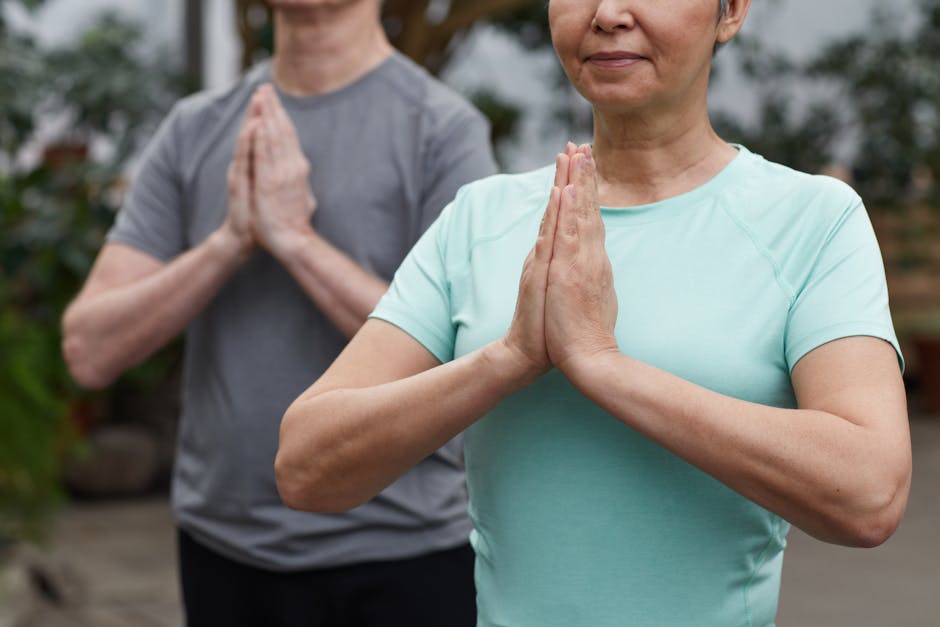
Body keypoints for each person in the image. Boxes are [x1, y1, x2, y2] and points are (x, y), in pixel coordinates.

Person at [274, 0, 913, 625]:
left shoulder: (812, 221)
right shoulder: (480, 220)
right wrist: (510, 358)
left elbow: (868, 494)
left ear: (732, 10)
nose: (606, 13)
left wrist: (602, 365)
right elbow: (306, 468)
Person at [61, 0, 496, 625]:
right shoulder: (195, 129)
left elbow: (472, 358)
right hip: (223, 551)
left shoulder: (442, 130)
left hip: (403, 554)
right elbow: (87, 351)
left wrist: (296, 242)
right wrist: (228, 242)